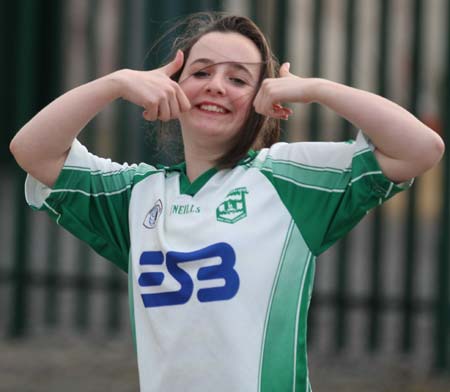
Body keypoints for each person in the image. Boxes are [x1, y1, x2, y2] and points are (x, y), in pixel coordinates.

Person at [9, 12, 444, 392]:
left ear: (263, 100)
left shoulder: (291, 178)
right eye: (200, 72)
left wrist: (317, 89)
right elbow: (32, 149)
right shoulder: (137, 196)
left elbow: (420, 148)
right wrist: (114, 83)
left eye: (238, 78)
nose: (216, 86)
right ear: (171, 88)